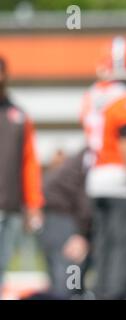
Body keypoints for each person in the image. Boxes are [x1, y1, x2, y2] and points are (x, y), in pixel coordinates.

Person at [80, 36, 126, 299]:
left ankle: (101, 292)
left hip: (95, 178)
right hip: (119, 180)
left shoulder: (92, 95)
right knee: (122, 247)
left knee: (103, 245)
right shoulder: (123, 100)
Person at [0, 56, 45, 298]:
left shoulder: (18, 117)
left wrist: (34, 204)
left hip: (11, 205)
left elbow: (29, 163)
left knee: (3, 263)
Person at [38, 148, 92, 299]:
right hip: (65, 221)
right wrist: (80, 234)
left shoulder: (80, 159)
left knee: (62, 281)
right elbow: (84, 197)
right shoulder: (90, 158)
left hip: (54, 219)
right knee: (69, 282)